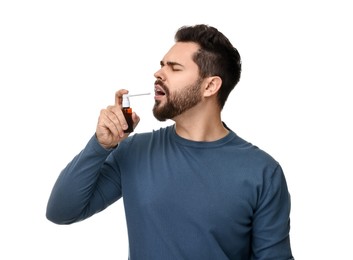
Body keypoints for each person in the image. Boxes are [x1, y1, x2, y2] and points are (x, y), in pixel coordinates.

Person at [46, 24, 294, 259]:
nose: (158, 73)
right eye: (162, 65)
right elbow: (61, 212)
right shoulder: (134, 151)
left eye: (174, 68)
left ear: (210, 86)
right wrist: (100, 146)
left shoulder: (262, 172)